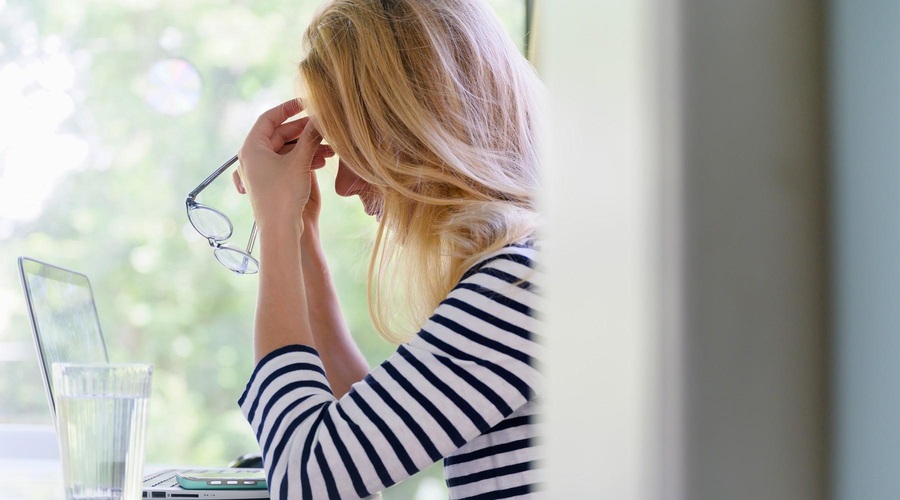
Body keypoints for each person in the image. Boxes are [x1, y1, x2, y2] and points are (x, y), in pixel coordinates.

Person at [232, 0, 543, 497]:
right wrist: (299, 235)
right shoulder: (530, 271)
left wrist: (272, 222)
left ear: (414, 128)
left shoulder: (518, 286)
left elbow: (304, 478)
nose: (344, 186)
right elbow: (371, 426)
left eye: (356, 145)